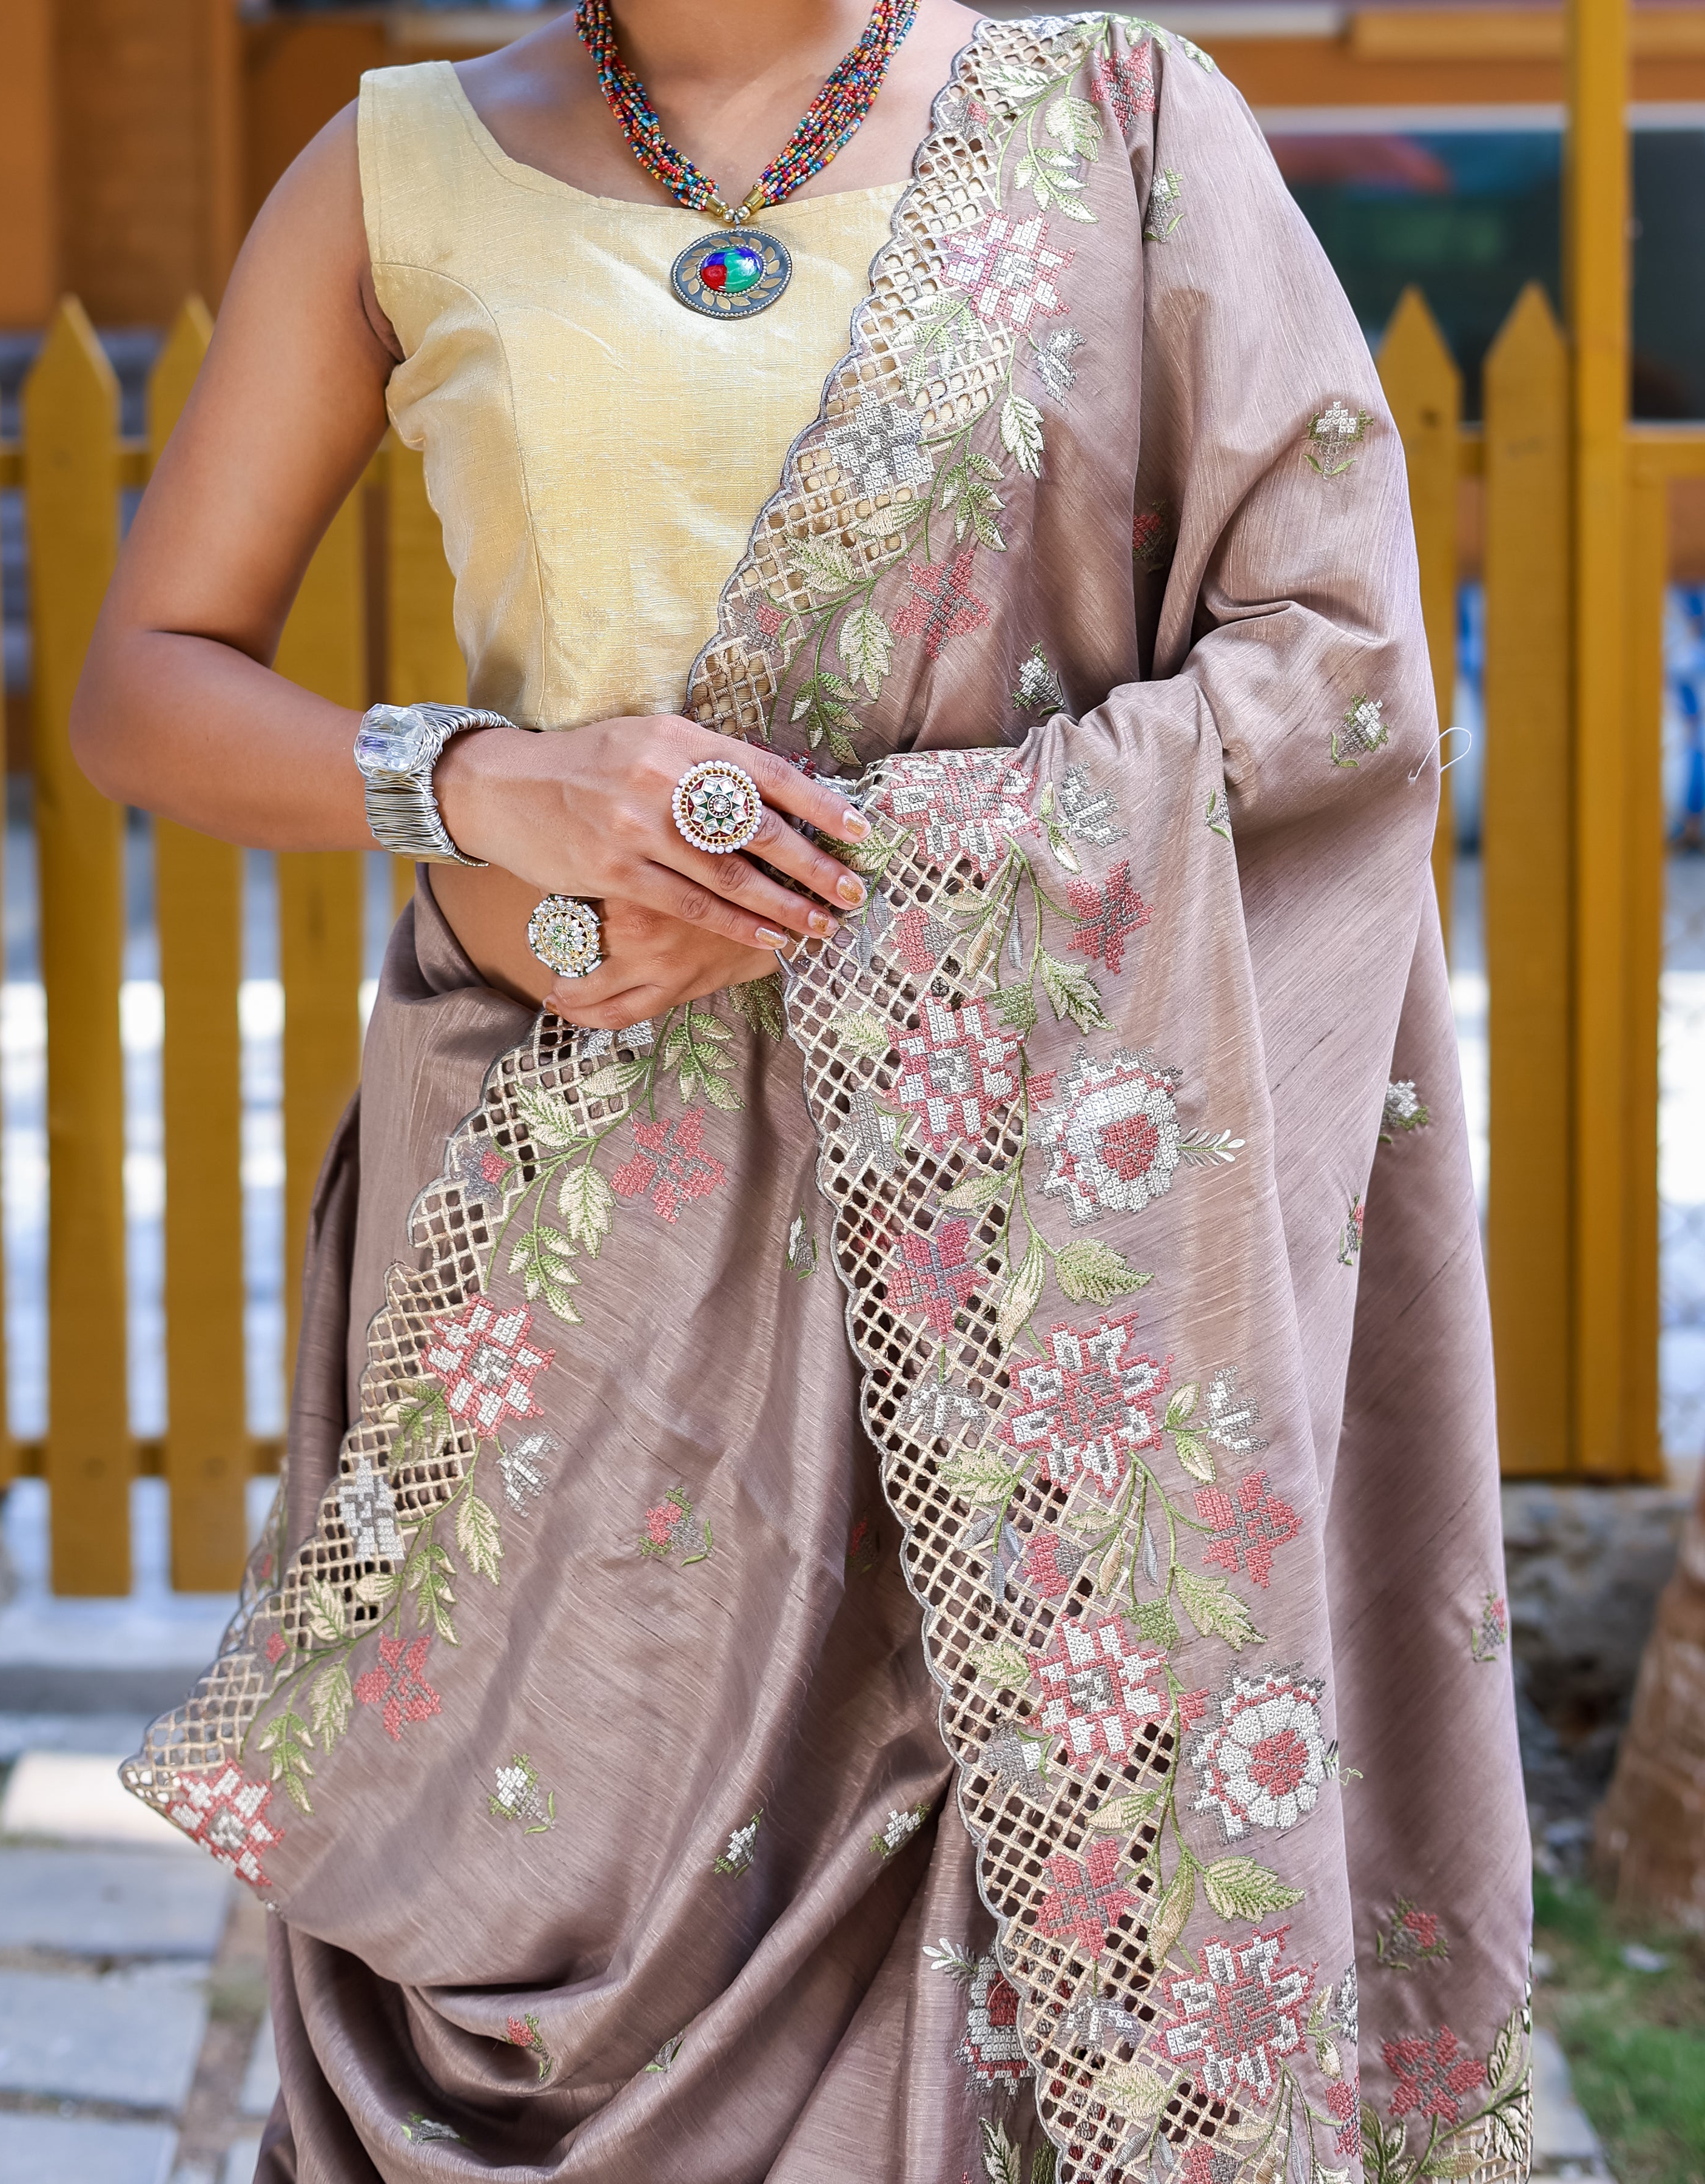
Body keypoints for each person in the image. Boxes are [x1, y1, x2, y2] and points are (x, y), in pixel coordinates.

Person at [76, 4, 1533, 2178]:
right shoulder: (397, 169)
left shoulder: (1120, 126)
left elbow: (1332, 670)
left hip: (1037, 1264)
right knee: (540, 1919)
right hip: (576, 1231)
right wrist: (489, 785)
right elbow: (147, 687)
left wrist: (887, 880)